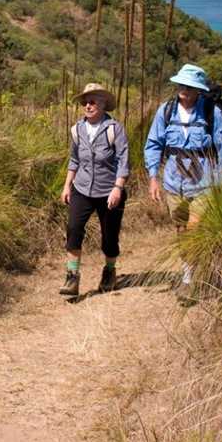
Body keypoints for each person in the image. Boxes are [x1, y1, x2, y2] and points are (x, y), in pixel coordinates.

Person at [143, 64, 222, 305]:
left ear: (199, 90)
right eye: (181, 84)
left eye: (190, 85)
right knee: (181, 231)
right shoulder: (166, 111)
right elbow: (153, 144)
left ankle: (192, 279)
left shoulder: (212, 113)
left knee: (195, 229)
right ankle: (188, 273)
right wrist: (153, 177)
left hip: (205, 182)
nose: (184, 89)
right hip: (173, 182)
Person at [59, 83, 130, 297]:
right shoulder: (77, 129)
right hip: (81, 188)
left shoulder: (114, 129)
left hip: (109, 190)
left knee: (109, 236)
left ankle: (109, 271)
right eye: (85, 102)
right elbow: (74, 160)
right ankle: (72, 277)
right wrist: (67, 186)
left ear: (103, 104)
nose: (87, 106)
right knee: (73, 228)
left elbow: (124, 161)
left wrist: (118, 188)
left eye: (92, 102)